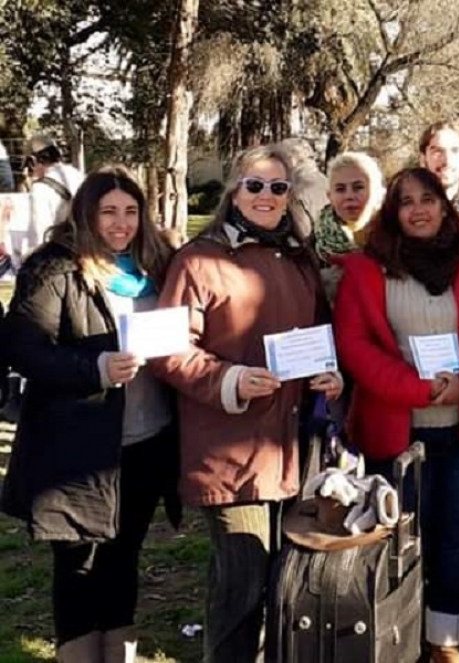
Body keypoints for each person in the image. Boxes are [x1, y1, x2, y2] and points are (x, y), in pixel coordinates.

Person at [152, 145, 343, 662]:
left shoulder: (298, 256)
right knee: (241, 585)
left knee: (288, 585)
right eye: (254, 185)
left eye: (277, 187)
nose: (266, 196)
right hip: (230, 453)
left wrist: (328, 373)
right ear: (233, 190)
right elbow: (168, 351)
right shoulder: (198, 260)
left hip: (294, 447)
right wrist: (229, 379)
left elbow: (318, 333)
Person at [334, 167, 459, 663]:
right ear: (392, 211)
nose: (418, 210)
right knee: (397, 538)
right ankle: (397, 636)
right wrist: (414, 389)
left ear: (443, 204)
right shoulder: (367, 268)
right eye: (406, 202)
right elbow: (355, 347)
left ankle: (445, 639)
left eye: (427, 199)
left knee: (455, 540)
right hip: (396, 430)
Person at [0, 167, 180, 662]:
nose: (121, 223)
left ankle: (118, 654)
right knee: (79, 567)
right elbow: (22, 347)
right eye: (109, 212)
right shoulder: (56, 267)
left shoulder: (157, 263)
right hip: (77, 449)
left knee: (124, 558)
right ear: (87, 213)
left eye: (130, 211)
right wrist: (94, 367)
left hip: (147, 440)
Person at [313, 151, 384, 301]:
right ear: (329, 196)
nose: (349, 196)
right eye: (340, 189)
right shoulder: (314, 247)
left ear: (377, 191)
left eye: (358, 187)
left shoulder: (397, 237)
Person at [15, 135, 84, 270]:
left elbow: (41, 232)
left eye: (29, 167)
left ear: (34, 161)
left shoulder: (41, 188)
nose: (30, 173)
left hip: (64, 254)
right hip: (88, 246)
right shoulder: (76, 174)